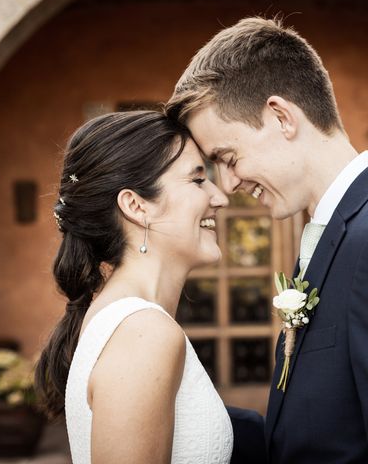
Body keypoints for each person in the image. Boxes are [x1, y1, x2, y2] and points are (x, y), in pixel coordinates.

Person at [167, 17, 368, 463]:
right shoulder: (338, 231)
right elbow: (323, 424)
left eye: (228, 158)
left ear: (281, 117)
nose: (229, 183)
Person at [34, 111, 233, 463]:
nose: (220, 198)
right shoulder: (144, 333)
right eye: (198, 180)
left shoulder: (127, 320)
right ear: (136, 205)